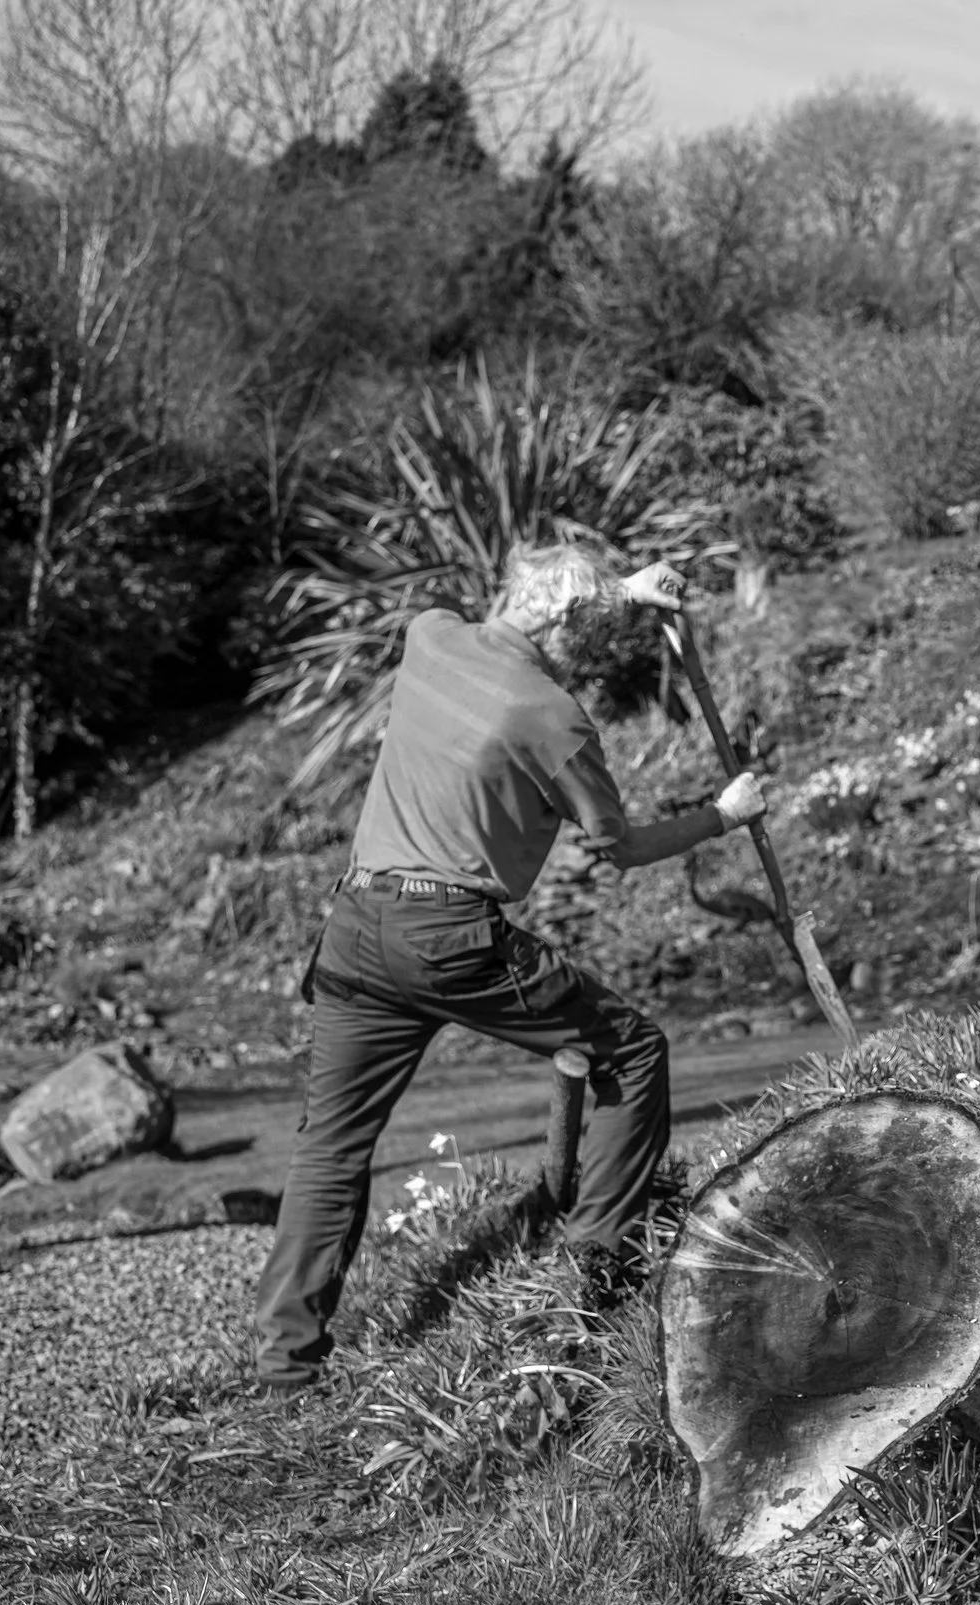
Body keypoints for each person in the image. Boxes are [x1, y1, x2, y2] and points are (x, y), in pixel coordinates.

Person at [253, 542, 767, 1390]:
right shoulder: (552, 715)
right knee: (633, 1051)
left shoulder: (428, 636)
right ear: (570, 622)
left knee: (329, 1147)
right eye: (592, 633)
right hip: (450, 936)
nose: (593, 653)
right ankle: (592, 1278)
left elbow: (536, 611)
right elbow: (620, 847)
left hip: (355, 922)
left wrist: (625, 592)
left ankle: (285, 1367)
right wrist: (722, 815)